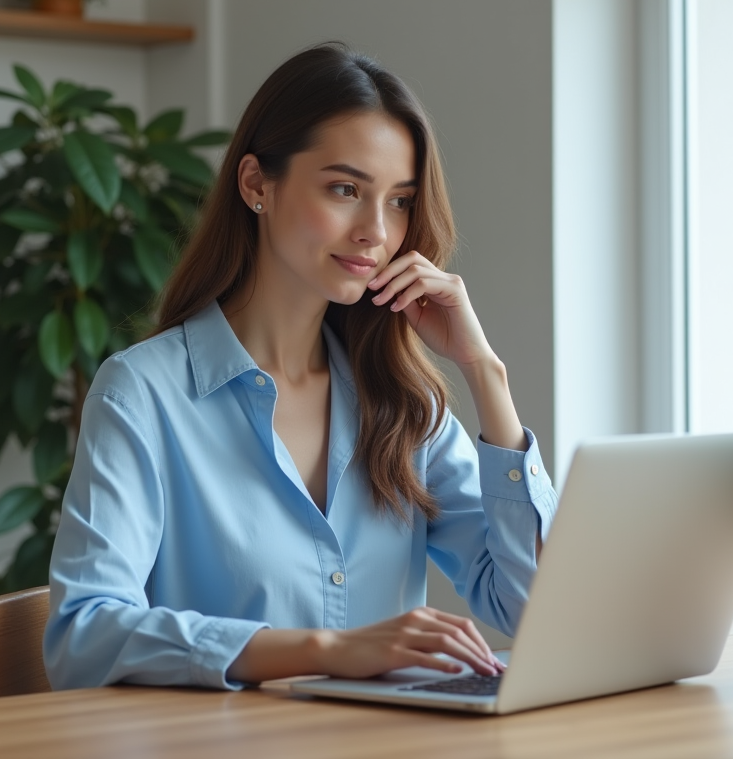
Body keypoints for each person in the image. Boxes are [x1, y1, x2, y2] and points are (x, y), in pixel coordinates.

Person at [44, 43, 559, 691]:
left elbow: (533, 610)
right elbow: (85, 636)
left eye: (399, 200)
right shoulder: (143, 395)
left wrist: (484, 372)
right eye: (345, 189)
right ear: (257, 184)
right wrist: (325, 649)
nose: (376, 230)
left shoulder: (402, 403)